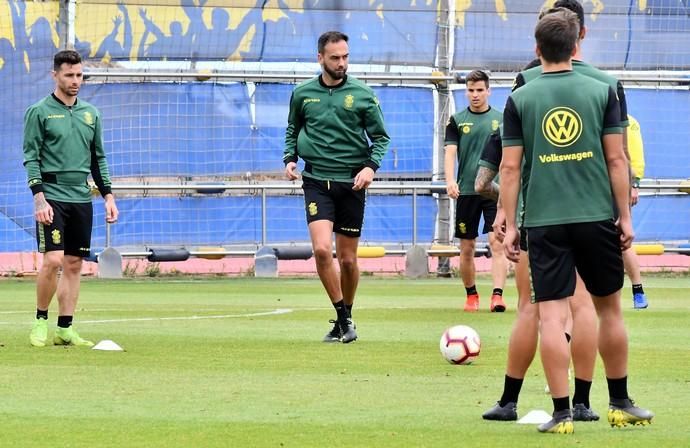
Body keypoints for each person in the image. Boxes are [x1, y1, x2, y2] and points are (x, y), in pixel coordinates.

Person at [500, 9, 653, 433]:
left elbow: (510, 170)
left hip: (545, 221)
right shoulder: (603, 88)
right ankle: (620, 401)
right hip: (596, 215)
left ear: (536, 49)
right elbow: (617, 158)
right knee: (609, 310)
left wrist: (511, 225)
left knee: (550, 316)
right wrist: (624, 217)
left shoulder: (520, 97)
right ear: (576, 44)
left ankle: (562, 412)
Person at [283, 31, 390, 343]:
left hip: (351, 184)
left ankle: (347, 316)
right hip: (316, 180)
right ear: (320, 58)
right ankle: (343, 318)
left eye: (345, 57)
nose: (342, 63)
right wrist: (290, 158)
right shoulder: (303, 94)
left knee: (347, 260)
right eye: (335, 58)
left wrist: (370, 167)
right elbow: (293, 128)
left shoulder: (363, 95)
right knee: (320, 250)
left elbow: (381, 138)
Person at [23, 50, 119, 347]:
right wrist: (39, 197)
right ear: (55, 75)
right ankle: (40, 321)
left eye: (79, 75)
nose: (75, 81)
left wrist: (108, 196)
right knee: (52, 260)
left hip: (81, 197)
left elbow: (97, 159)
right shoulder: (39, 112)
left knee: (75, 263)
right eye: (69, 75)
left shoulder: (91, 113)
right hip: (52, 196)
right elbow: (31, 158)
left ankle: (65, 328)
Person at [444, 70, 508, 313]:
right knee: (467, 247)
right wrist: (450, 180)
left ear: (488, 91)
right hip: (467, 192)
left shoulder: (502, 120)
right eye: (471, 90)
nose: (475, 95)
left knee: (497, 242)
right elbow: (450, 152)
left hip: (495, 191)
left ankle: (497, 296)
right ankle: (471, 295)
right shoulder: (456, 120)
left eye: (480, 90)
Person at [625, 114, 649, 309]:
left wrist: (634, 184)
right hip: (592, 187)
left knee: (623, 240)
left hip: (618, 188)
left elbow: (636, 156)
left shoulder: (629, 122)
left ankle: (638, 290)